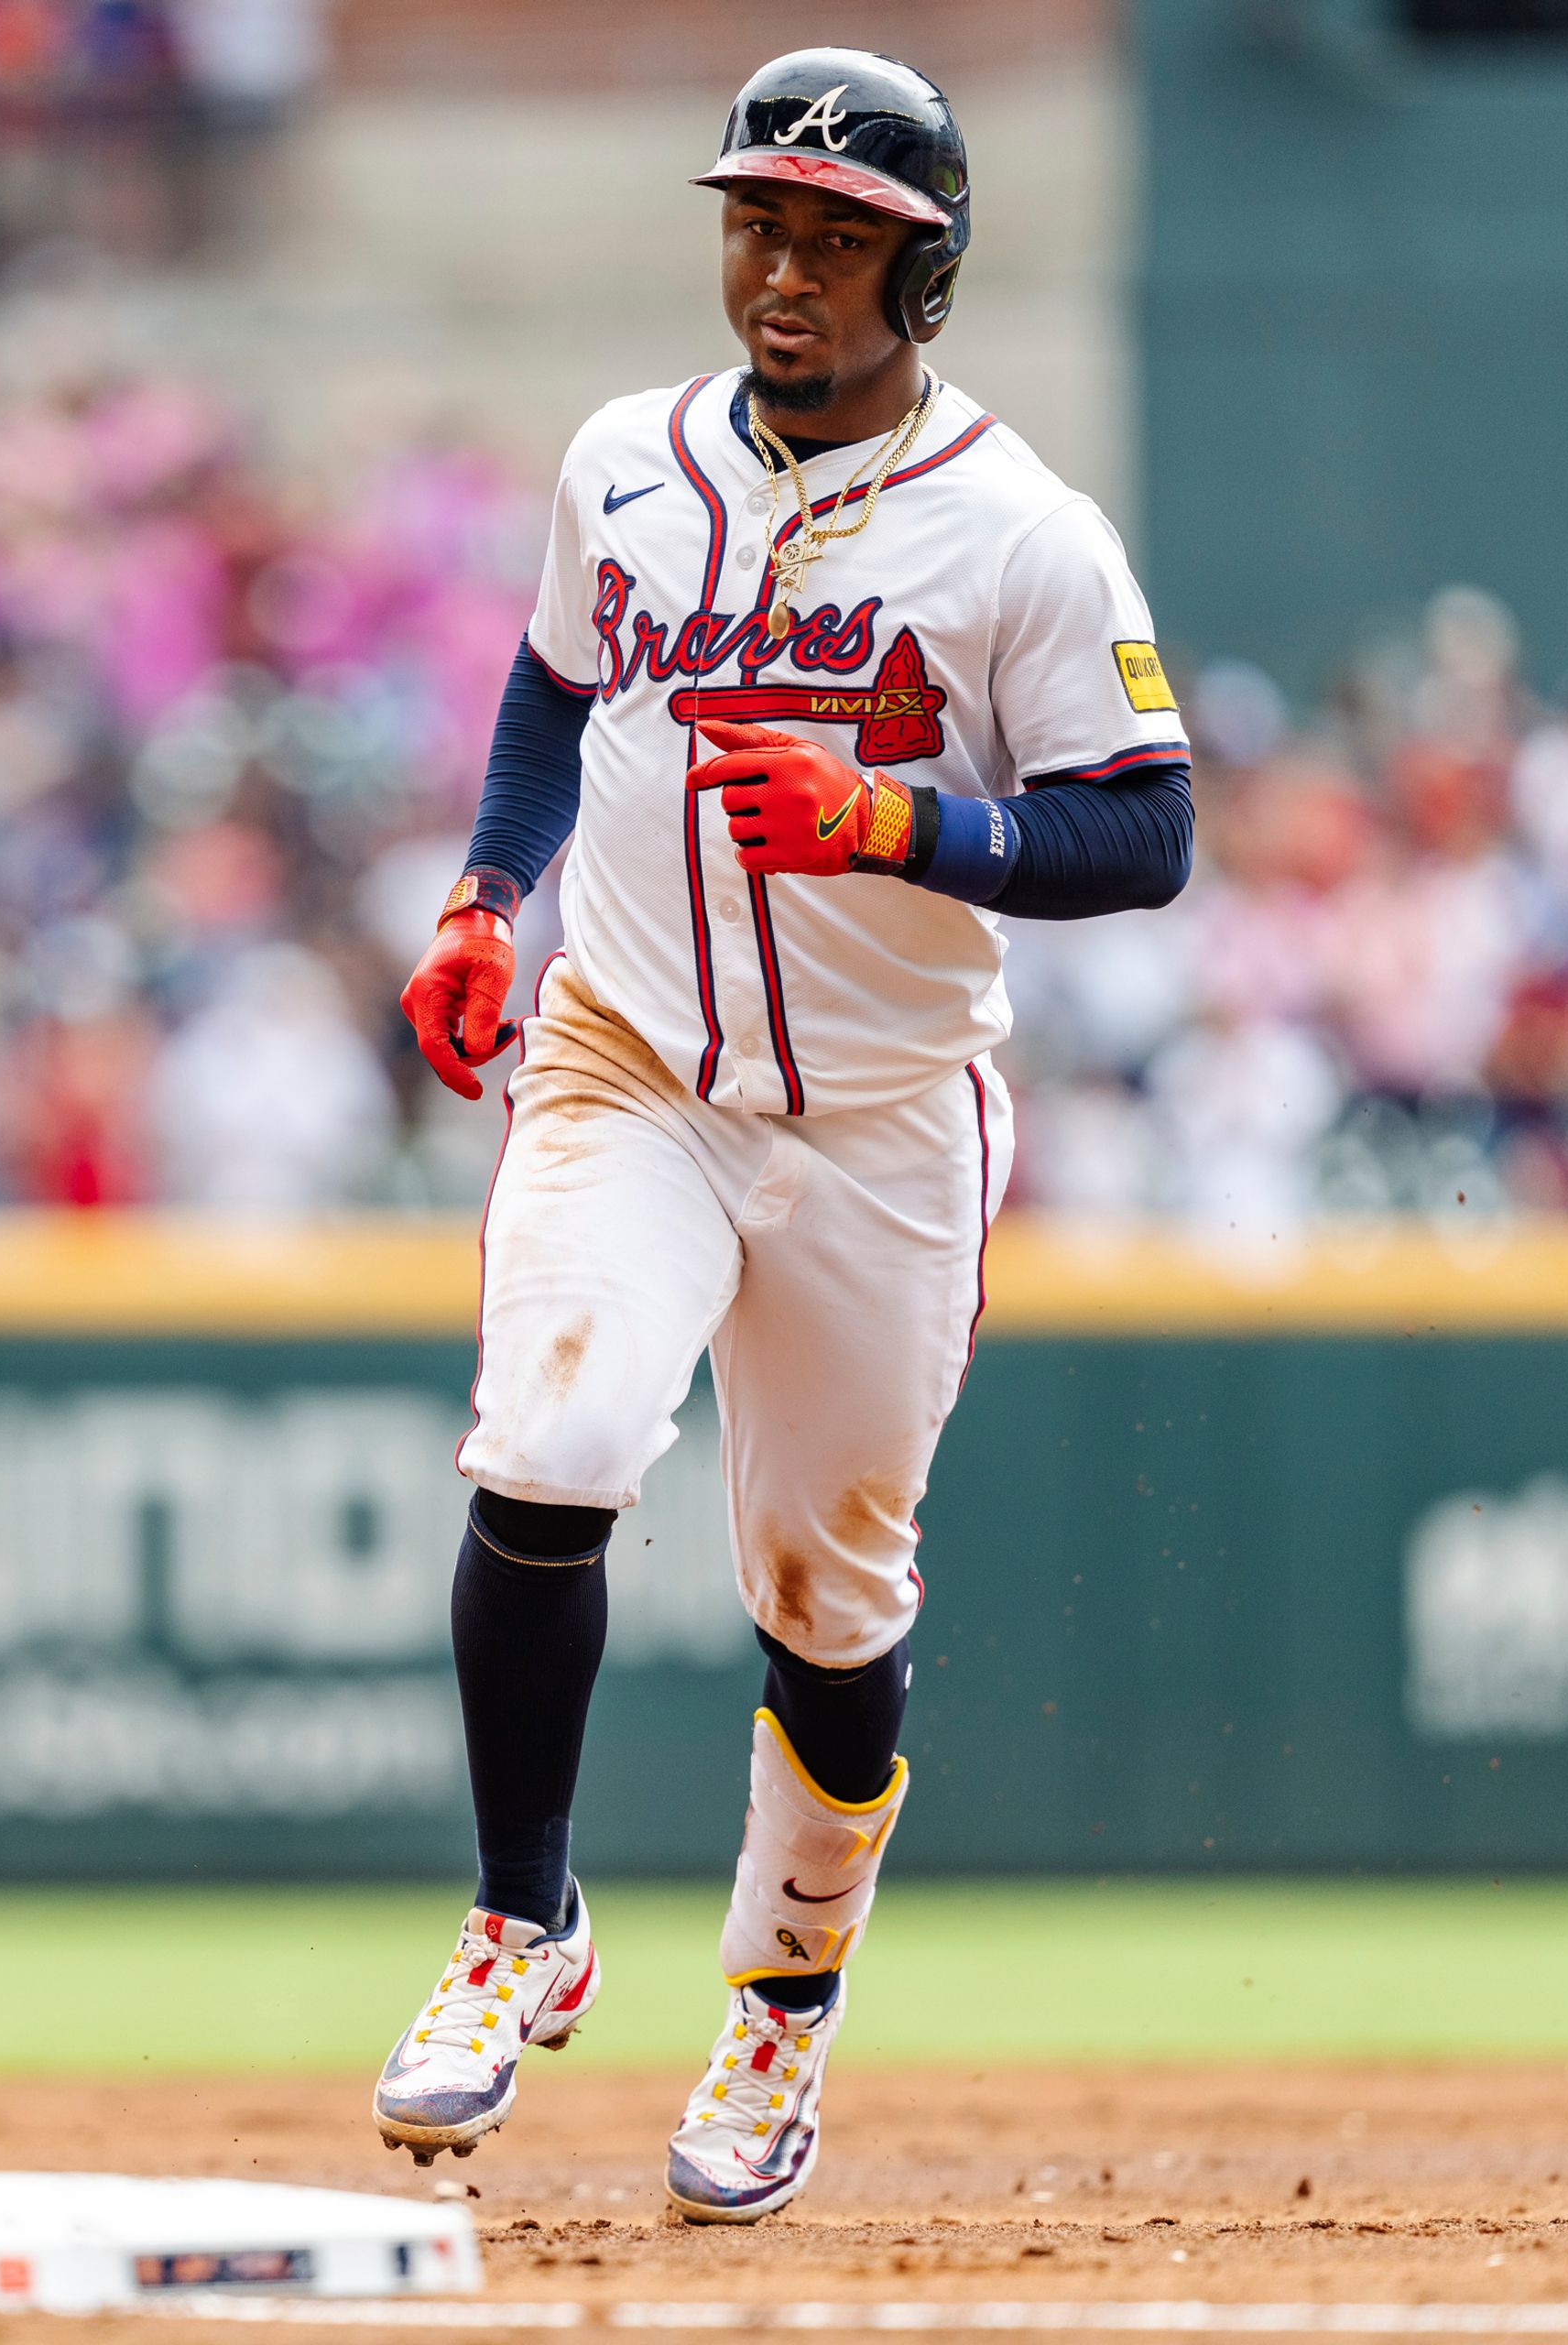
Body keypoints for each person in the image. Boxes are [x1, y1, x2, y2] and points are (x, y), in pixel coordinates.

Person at [374, 49, 1193, 2224]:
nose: (784, 269)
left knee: (825, 1603)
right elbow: (557, 682)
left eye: (838, 238)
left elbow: (1147, 823)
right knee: (544, 1452)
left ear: (922, 275)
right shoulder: (619, 461)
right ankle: (520, 1918)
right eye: (756, 221)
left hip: (881, 1118)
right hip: (627, 1057)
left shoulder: (1021, 526)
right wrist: (483, 890)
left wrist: (899, 821)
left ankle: (779, 1999)